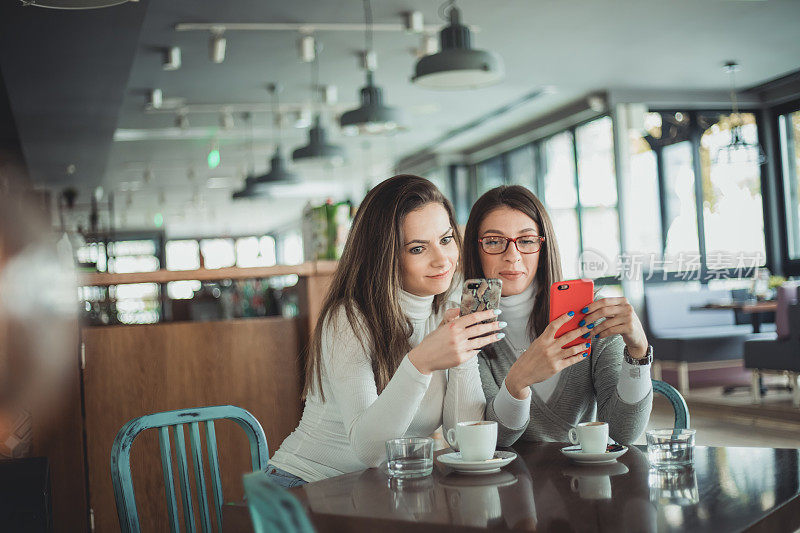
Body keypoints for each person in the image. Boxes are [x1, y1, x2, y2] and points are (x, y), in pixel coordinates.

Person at [266, 175, 503, 487]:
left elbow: (461, 436)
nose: (442, 259)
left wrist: (463, 354)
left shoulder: (448, 302)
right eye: (418, 248)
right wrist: (421, 363)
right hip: (304, 484)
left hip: (375, 492)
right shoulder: (349, 318)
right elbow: (371, 451)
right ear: (386, 255)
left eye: (446, 240)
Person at [462, 185, 652, 446]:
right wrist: (517, 382)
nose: (513, 256)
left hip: (585, 482)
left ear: (543, 248)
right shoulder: (468, 328)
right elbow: (494, 440)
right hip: (505, 484)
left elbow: (623, 432)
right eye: (494, 241)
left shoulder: (591, 314)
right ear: (476, 249)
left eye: (526, 241)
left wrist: (638, 352)